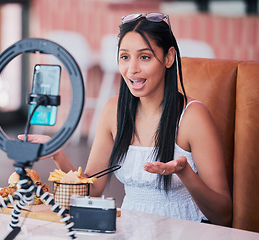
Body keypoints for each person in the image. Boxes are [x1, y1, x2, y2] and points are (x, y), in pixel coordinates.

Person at [19, 12, 232, 226]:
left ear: (169, 57)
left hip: (184, 231)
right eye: (125, 57)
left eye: (145, 57)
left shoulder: (193, 116)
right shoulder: (114, 111)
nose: (132, 69)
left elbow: (222, 214)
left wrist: (185, 172)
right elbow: (92, 190)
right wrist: (58, 154)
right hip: (129, 230)